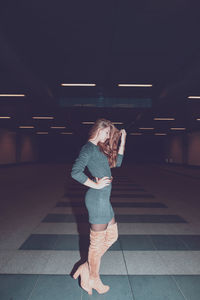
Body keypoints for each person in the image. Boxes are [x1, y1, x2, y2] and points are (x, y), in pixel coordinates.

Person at [71, 118, 126, 295]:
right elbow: (75, 172)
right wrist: (95, 185)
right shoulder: (88, 148)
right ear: (99, 130)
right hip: (97, 200)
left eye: (110, 134)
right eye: (107, 133)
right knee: (96, 245)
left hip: (104, 200)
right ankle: (93, 278)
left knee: (113, 236)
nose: (108, 136)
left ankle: (85, 268)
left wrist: (123, 140)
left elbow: (117, 163)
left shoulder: (99, 149)